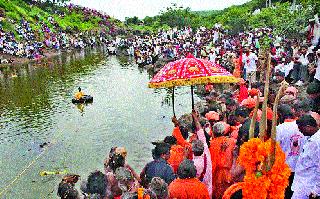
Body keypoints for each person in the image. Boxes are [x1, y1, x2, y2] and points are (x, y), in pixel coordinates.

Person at [276, 104, 305, 199]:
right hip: (300, 168)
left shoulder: (279, 128)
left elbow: (275, 148)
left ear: (279, 115)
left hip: (284, 169)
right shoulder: (301, 126)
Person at [292, 115, 320, 199]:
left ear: (308, 127)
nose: (300, 131)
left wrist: (316, 190)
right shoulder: (313, 139)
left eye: (301, 128)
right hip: (303, 186)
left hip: (308, 188)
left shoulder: (316, 142)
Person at [209, 122, 236, 199]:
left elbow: (212, 162)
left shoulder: (211, 144)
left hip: (217, 175)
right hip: (232, 173)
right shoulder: (233, 142)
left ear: (213, 132)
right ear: (224, 132)